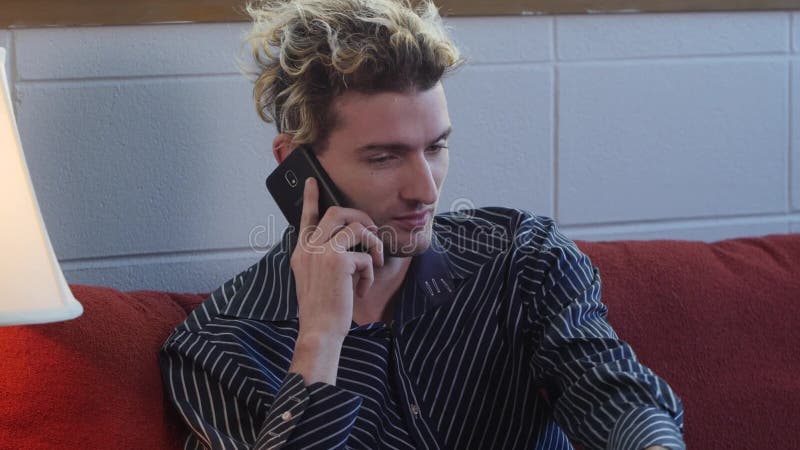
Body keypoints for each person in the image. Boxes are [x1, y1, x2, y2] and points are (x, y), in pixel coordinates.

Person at [159, 0, 685, 449]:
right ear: (296, 166)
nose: (427, 191)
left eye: (435, 147)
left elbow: (611, 391)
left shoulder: (522, 258)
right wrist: (319, 342)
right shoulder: (219, 348)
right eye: (384, 157)